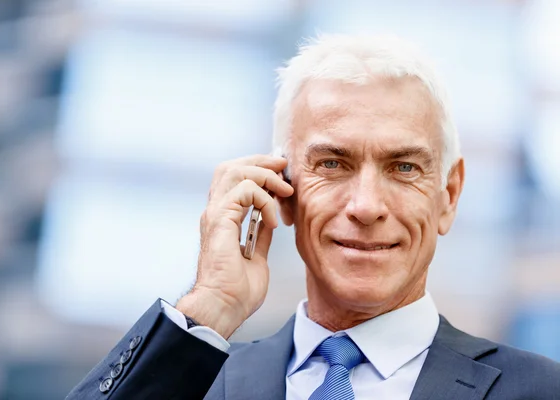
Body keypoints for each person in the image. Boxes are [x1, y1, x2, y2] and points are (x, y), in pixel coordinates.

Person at [66, 34, 560, 400]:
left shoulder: (539, 390)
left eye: (404, 167)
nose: (366, 206)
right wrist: (211, 304)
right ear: (281, 188)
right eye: (332, 164)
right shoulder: (194, 381)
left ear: (448, 195)